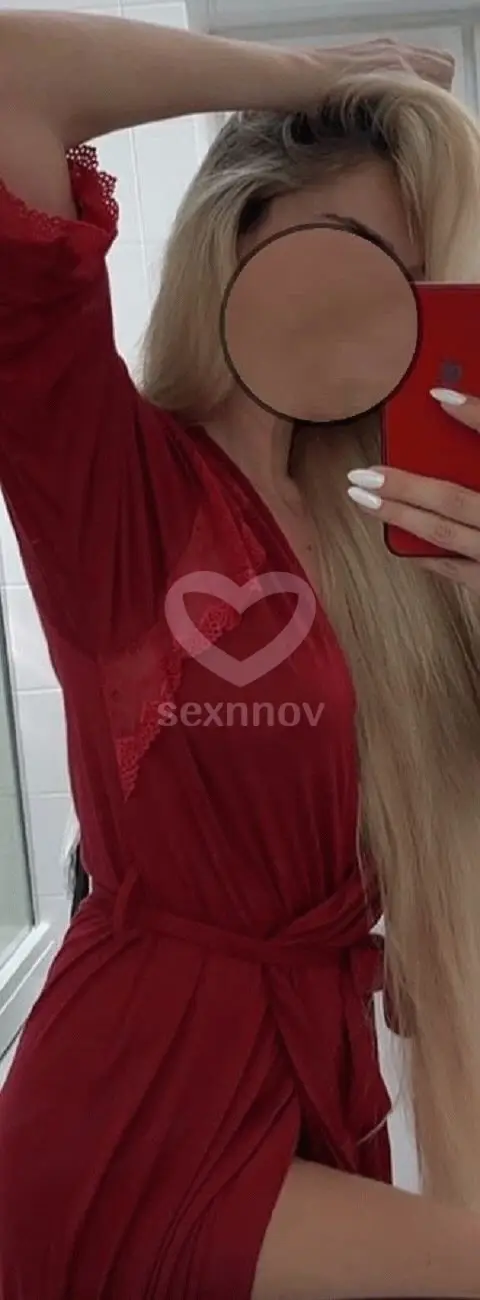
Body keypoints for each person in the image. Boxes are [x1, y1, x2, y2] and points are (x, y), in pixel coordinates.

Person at [1, 11, 480, 1299]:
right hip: (140, 1100)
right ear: (239, 235)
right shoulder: (120, 483)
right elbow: (8, 76)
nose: (373, 309)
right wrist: (311, 78)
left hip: (304, 1077)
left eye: (411, 279)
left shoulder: (388, 537)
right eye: (348, 253)